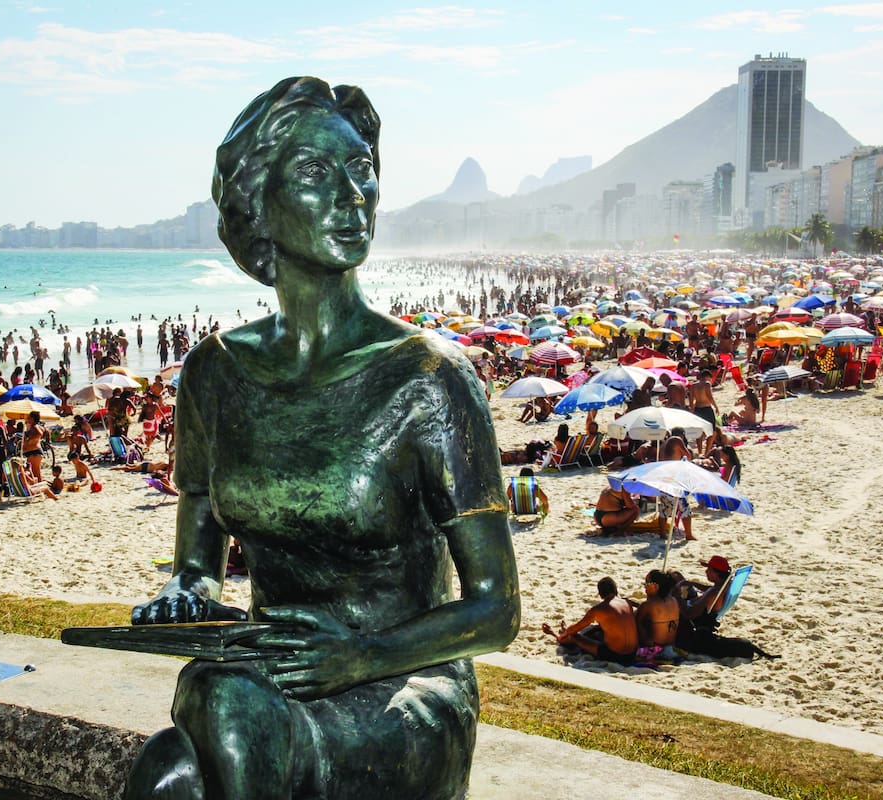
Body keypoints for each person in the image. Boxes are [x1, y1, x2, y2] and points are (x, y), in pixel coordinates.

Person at [126, 77, 519, 800]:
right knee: (164, 777)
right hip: (269, 670)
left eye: (361, 170)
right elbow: (198, 560)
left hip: (403, 685)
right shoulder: (213, 373)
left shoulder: (430, 376)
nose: (353, 195)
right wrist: (185, 589)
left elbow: (496, 608)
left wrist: (362, 656)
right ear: (256, 206)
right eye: (316, 173)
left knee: (220, 719)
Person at [674, 555, 778, 660]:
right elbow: (710, 589)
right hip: (700, 611)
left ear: (717, 573)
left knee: (674, 582)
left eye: (709, 569)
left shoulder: (714, 593)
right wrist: (692, 583)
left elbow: (688, 614)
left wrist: (676, 596)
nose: (706, 572)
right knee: (677, 576)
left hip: (695, 619)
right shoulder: (723, 585)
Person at [541, 577, 638, 666]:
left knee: (574, 636)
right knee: (597, 630)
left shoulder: (599, 609)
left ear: (600, 594)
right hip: (632, 654)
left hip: (615, 655)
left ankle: (555, 635)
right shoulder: (626, 603)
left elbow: (574, 629)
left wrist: (563, 633)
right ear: (616, 590)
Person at [635, 570, 680, 653]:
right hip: (672, 648)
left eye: (647, 583)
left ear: (656, 586)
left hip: (655, 649)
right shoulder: (673, 600)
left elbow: (635, 621)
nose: (645, 586)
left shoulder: (648, 604)